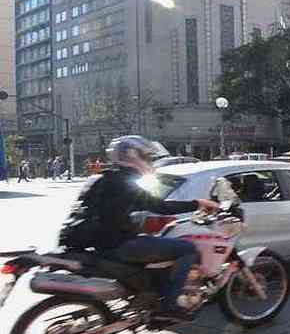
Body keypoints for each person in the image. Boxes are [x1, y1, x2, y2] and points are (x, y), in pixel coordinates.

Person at [59, 135, 220, 321]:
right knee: (187, 249)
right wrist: (198, 203)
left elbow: (110, 213)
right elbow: (160, 206)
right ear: (132, 155)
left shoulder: (103, 178)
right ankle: (170, 304)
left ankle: (150, 294)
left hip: (95, 242)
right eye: (146, 156)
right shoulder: (126, 181)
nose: (149, 161)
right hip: (117, 245)